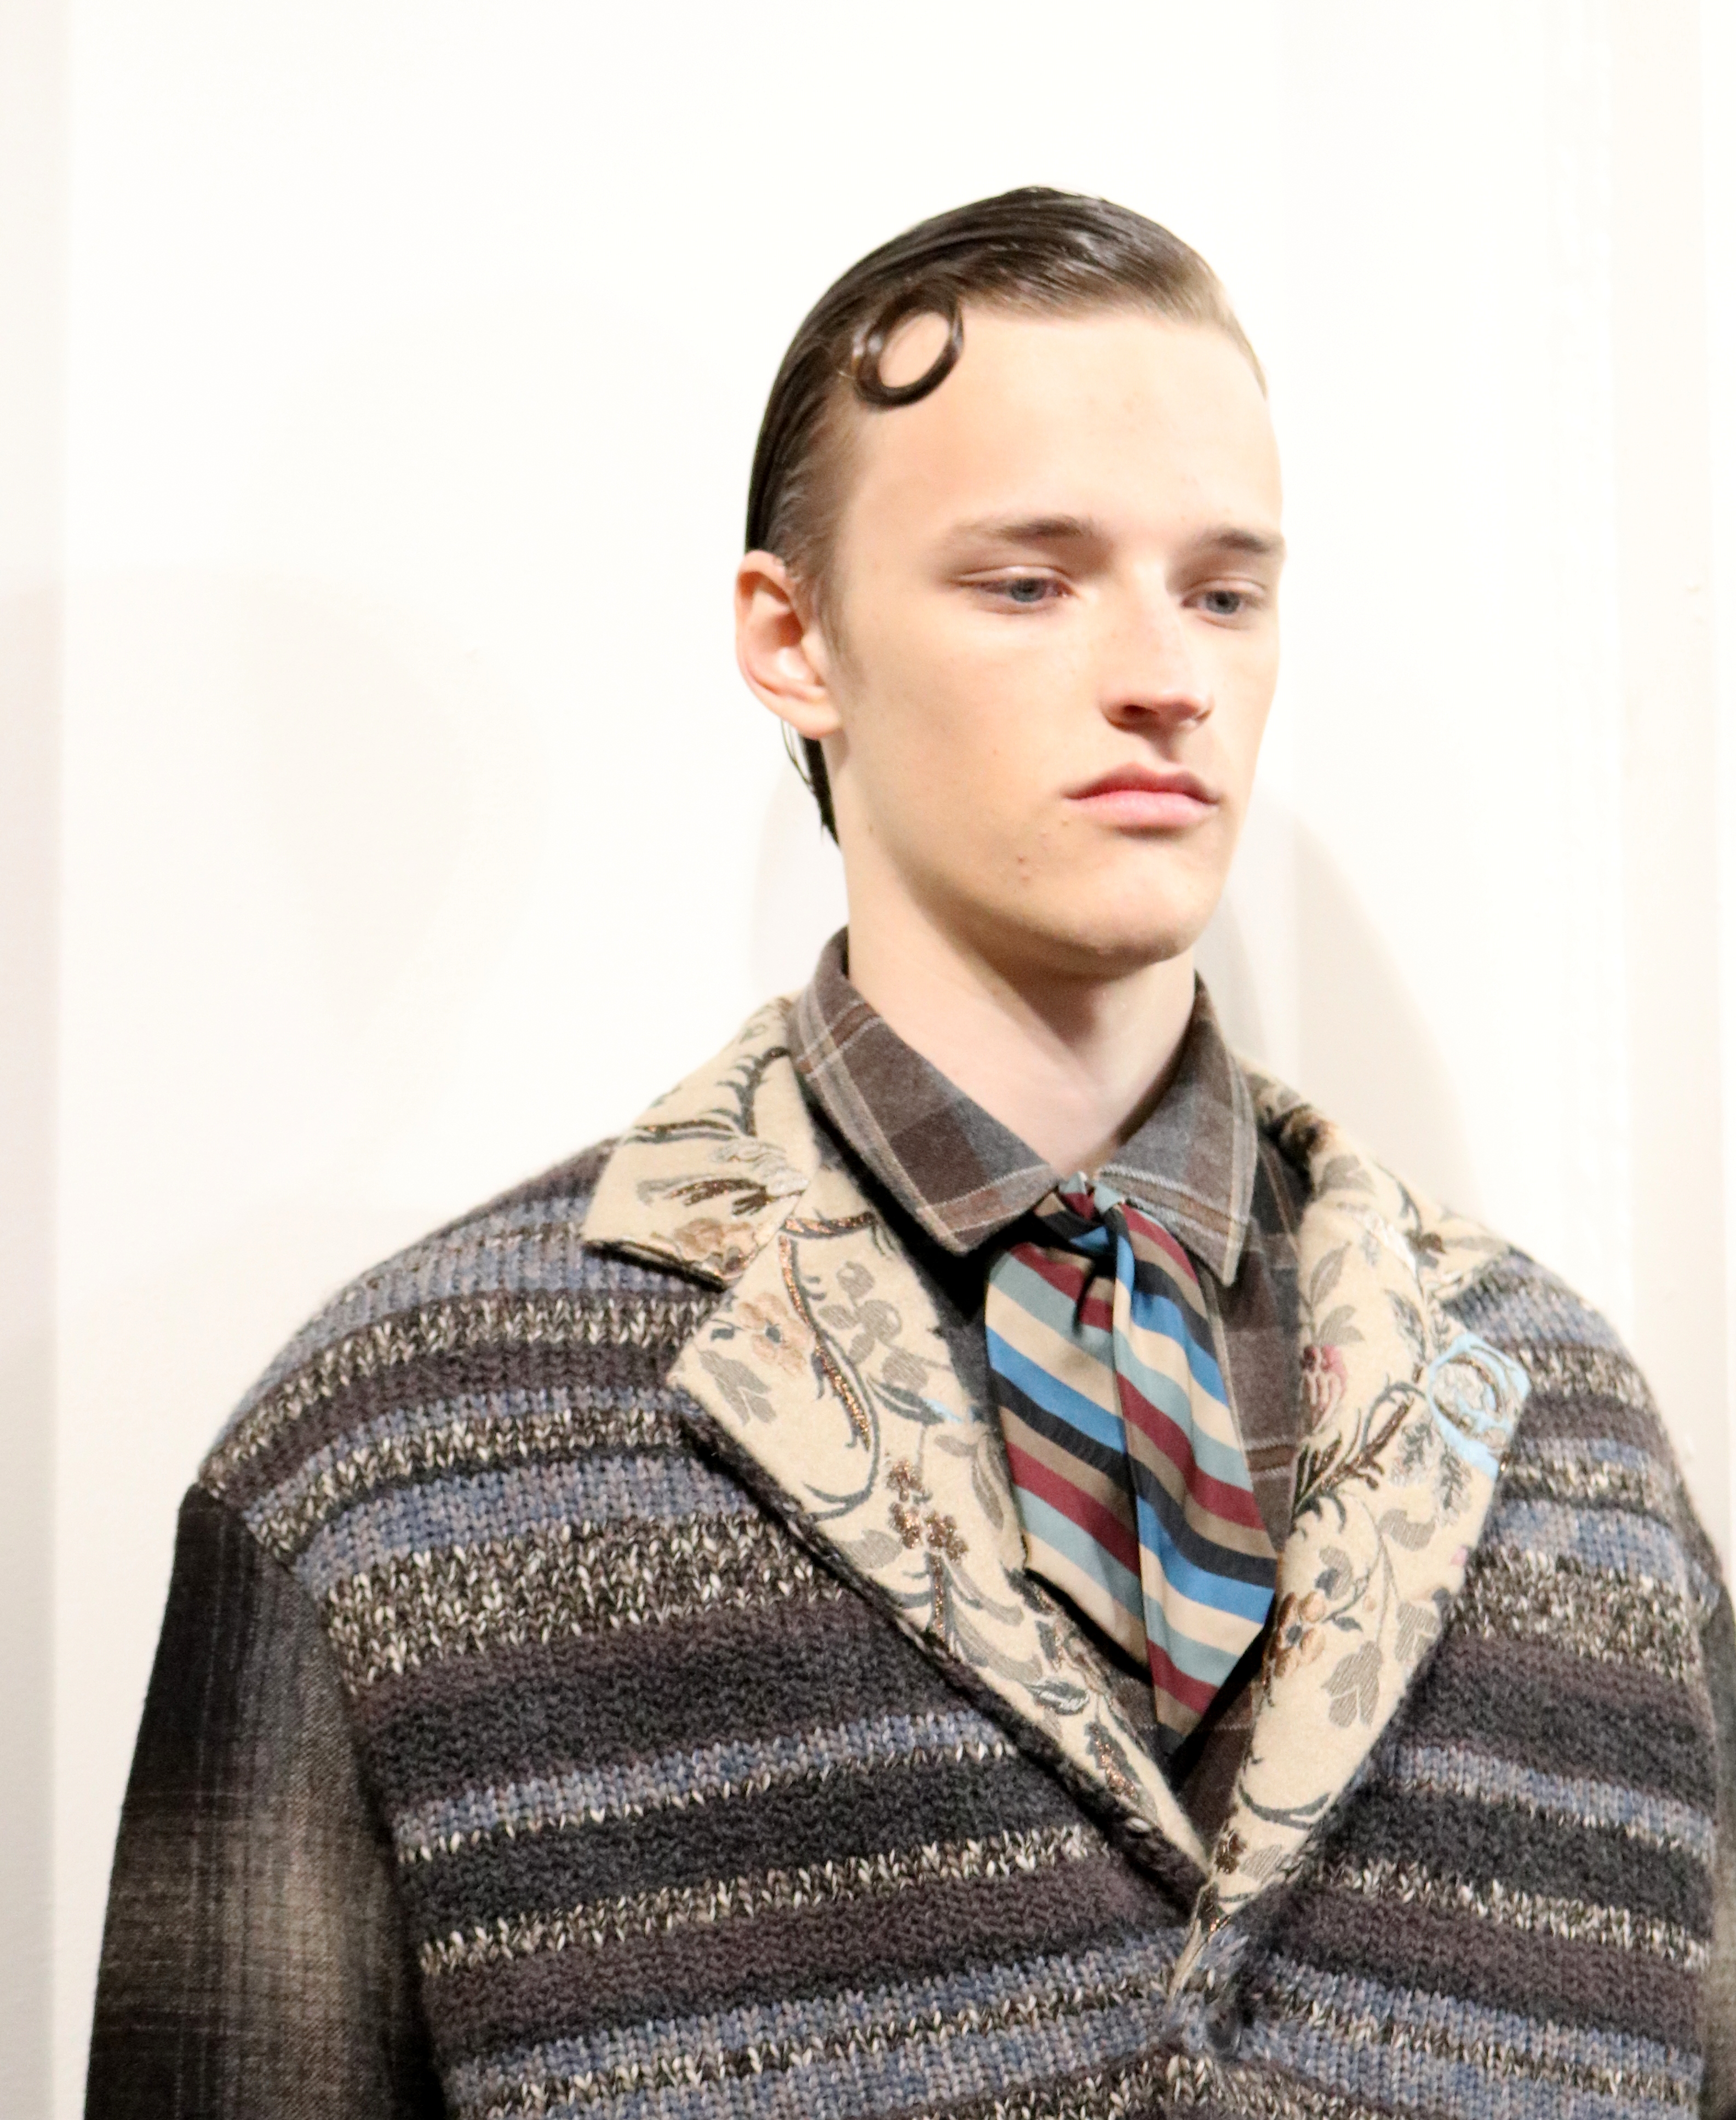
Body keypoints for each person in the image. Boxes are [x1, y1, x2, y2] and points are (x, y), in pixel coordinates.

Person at [88, 187, 1735, 2119]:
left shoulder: (1562, 1442)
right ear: (793, 638)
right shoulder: (398, 1452)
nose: (1167, 673)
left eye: (1223, 591)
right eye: (1028, 583)